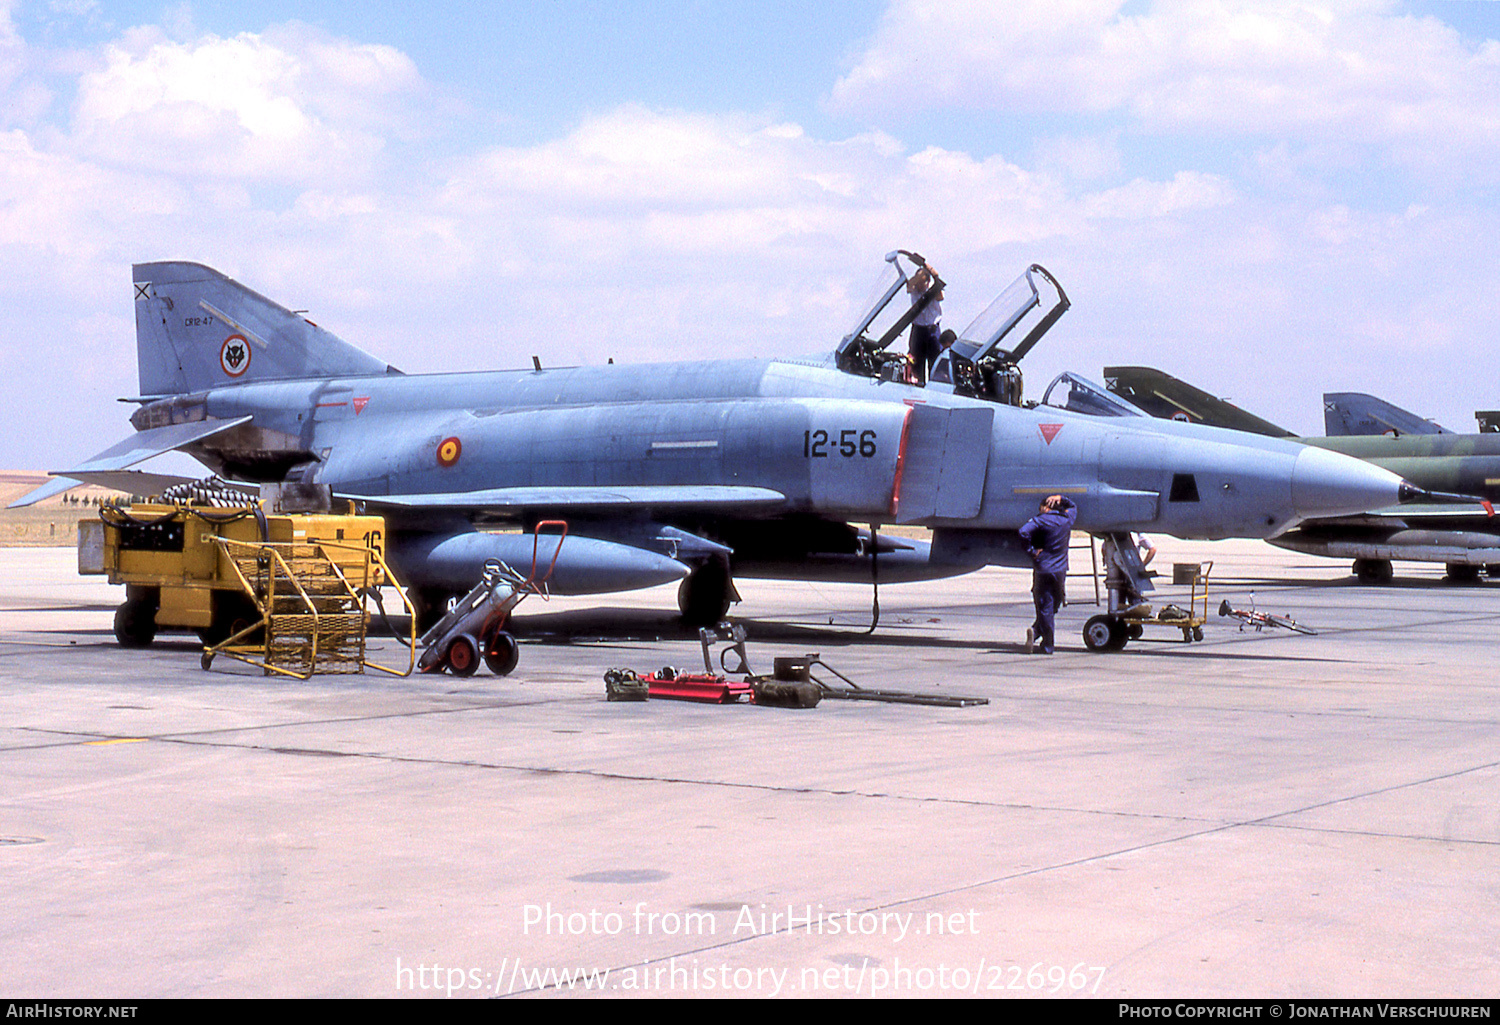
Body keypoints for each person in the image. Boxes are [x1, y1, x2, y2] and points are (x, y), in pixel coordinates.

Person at [1019, 494, 1077, 654]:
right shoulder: (1066, 519)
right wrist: (1061, 498)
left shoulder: (1041, 520)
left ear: (1045, 508)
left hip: (1043, 568)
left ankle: (1045, 643)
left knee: (1045, 606)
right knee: (1054, 604)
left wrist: (1031, 551)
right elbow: (1073, 506)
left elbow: (1023, 532)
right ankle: (1038, 631)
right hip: (1060, 571)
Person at [1101, 533, 1157, 615]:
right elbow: (1153, 548)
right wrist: (1141, 565)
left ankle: (1125, 623)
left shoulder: (1137, 534)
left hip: (1123, 575)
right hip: (1125, 574)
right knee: (1129, 605)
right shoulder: (1136, 534)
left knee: (1124, 604)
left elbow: (1153, 549)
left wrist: (1142, 565)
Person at [906, 265, 942, 385]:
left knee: (936, 362)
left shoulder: (932, 292)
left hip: (932, 330)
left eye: (923, 282)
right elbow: (909, 286)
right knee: (916, 362)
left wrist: (930, 270)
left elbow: (940, 296)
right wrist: (919, 276)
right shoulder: (914, 291)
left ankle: (934, 386)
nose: (920, 286)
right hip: (918, 331)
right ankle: (918, 385)